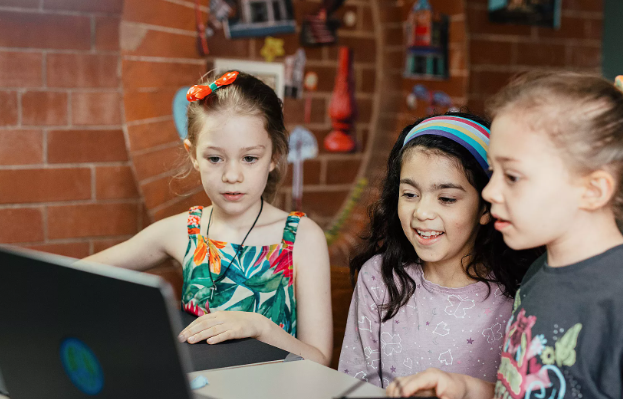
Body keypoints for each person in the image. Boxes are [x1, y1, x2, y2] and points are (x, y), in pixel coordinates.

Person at [387, 72, 623, 398]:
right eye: (493, 173)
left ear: (593, 189)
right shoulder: (539, 275)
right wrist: (467, 389)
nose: (491, 192)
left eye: (511, 176)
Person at [84, 71, 333, 366]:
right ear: (193, 154)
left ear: (275, 156)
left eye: (249, 158)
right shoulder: (182, 231)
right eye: (215, 158)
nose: (231, 176)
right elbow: (70, 274)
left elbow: (320, 360)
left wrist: (260, 327)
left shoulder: (302, 237)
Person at [338, 112, 537, 387]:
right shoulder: (379, 279)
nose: (422, 212)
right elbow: (354, 381)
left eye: (446, 198)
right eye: (410, 194)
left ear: (486, 207)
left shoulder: (518, 295)